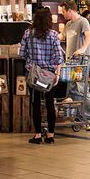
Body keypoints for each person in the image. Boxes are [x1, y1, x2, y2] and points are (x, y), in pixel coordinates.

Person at [20, 8, 64, 144]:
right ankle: (50, 135)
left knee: (36, 103)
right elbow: (59, 57)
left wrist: (31, 60)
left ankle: (38, 135)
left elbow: (22, 54)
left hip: (34, 75)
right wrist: (57, 73)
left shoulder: (28, 34)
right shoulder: (53, 35)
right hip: (48, 75)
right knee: (50, 103)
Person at [60, 0, 90, 126]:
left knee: (81, 89)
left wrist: (83, 48)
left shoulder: (83, 21)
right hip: (70, 60)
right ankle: (79, 117)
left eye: (63, 11)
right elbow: (61, 37)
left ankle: (88, 119)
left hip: (81, 59)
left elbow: (88, 35)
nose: (62, 14)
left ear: (70, 10)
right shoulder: (68, 24)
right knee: (73, 89)